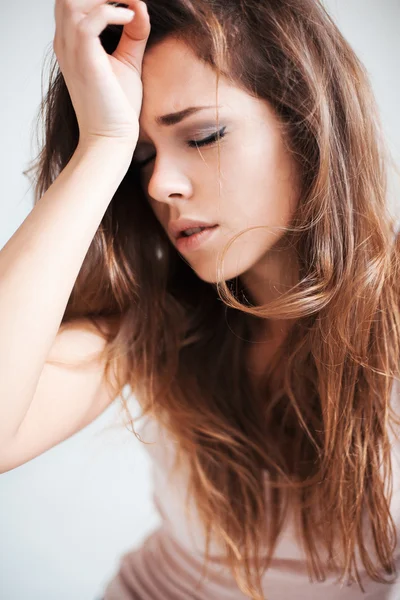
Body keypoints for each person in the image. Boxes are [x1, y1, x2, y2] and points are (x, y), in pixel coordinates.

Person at [1, 0, 400, 598]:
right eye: (142, 159)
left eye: (205, 135)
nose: (161, 184)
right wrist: (103, 145)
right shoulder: (155, 320)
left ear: (307, 122)